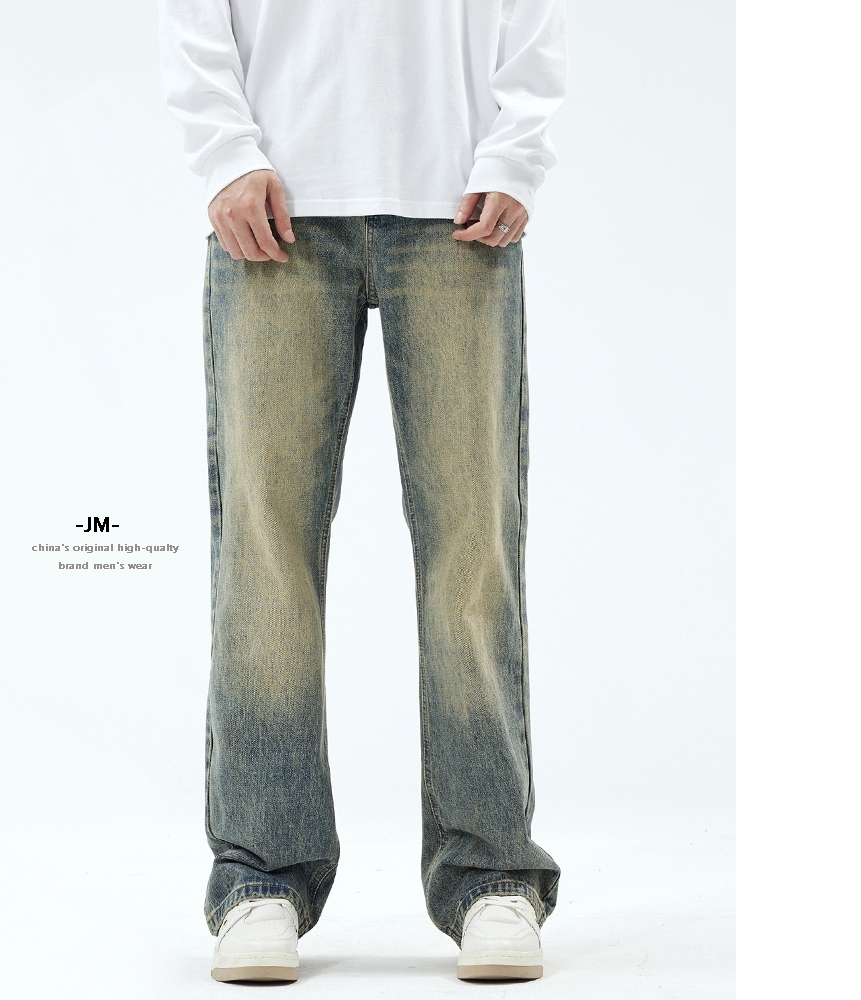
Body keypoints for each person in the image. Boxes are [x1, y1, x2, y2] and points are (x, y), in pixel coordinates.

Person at [158, 0, 567, 983]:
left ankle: (489, 872)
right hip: (274, 203)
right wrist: (224, 152)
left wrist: (516, 150)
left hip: (458, 201)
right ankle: (261, 876)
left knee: (473, 552)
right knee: (264, 560)